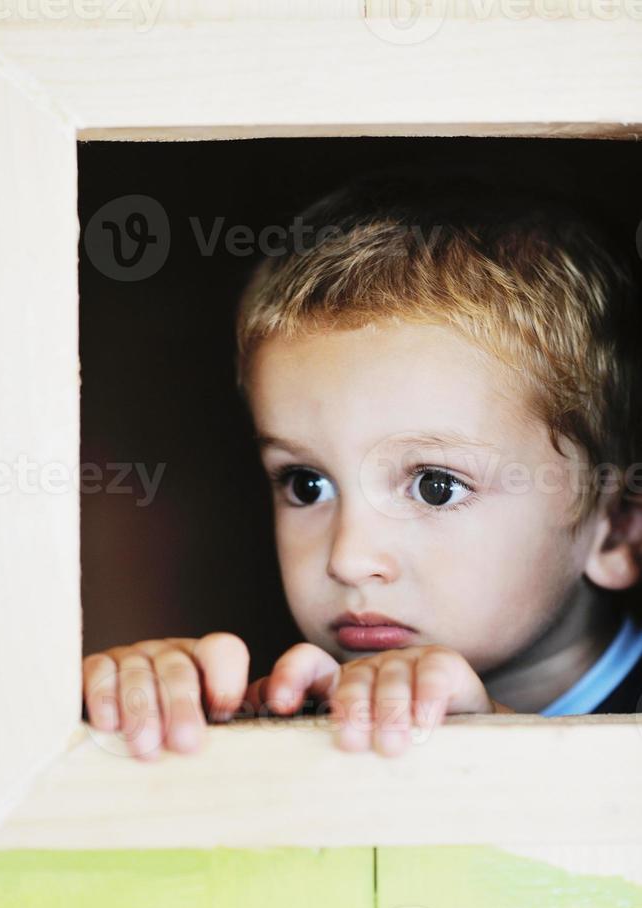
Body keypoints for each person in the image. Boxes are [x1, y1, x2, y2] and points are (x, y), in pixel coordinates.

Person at [82, 167, 642, 761]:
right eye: (306, 484)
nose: (348, 560)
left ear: (617, 529)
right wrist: (163, 716)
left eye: (434, 487)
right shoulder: (302, 697)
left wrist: (490, 744)